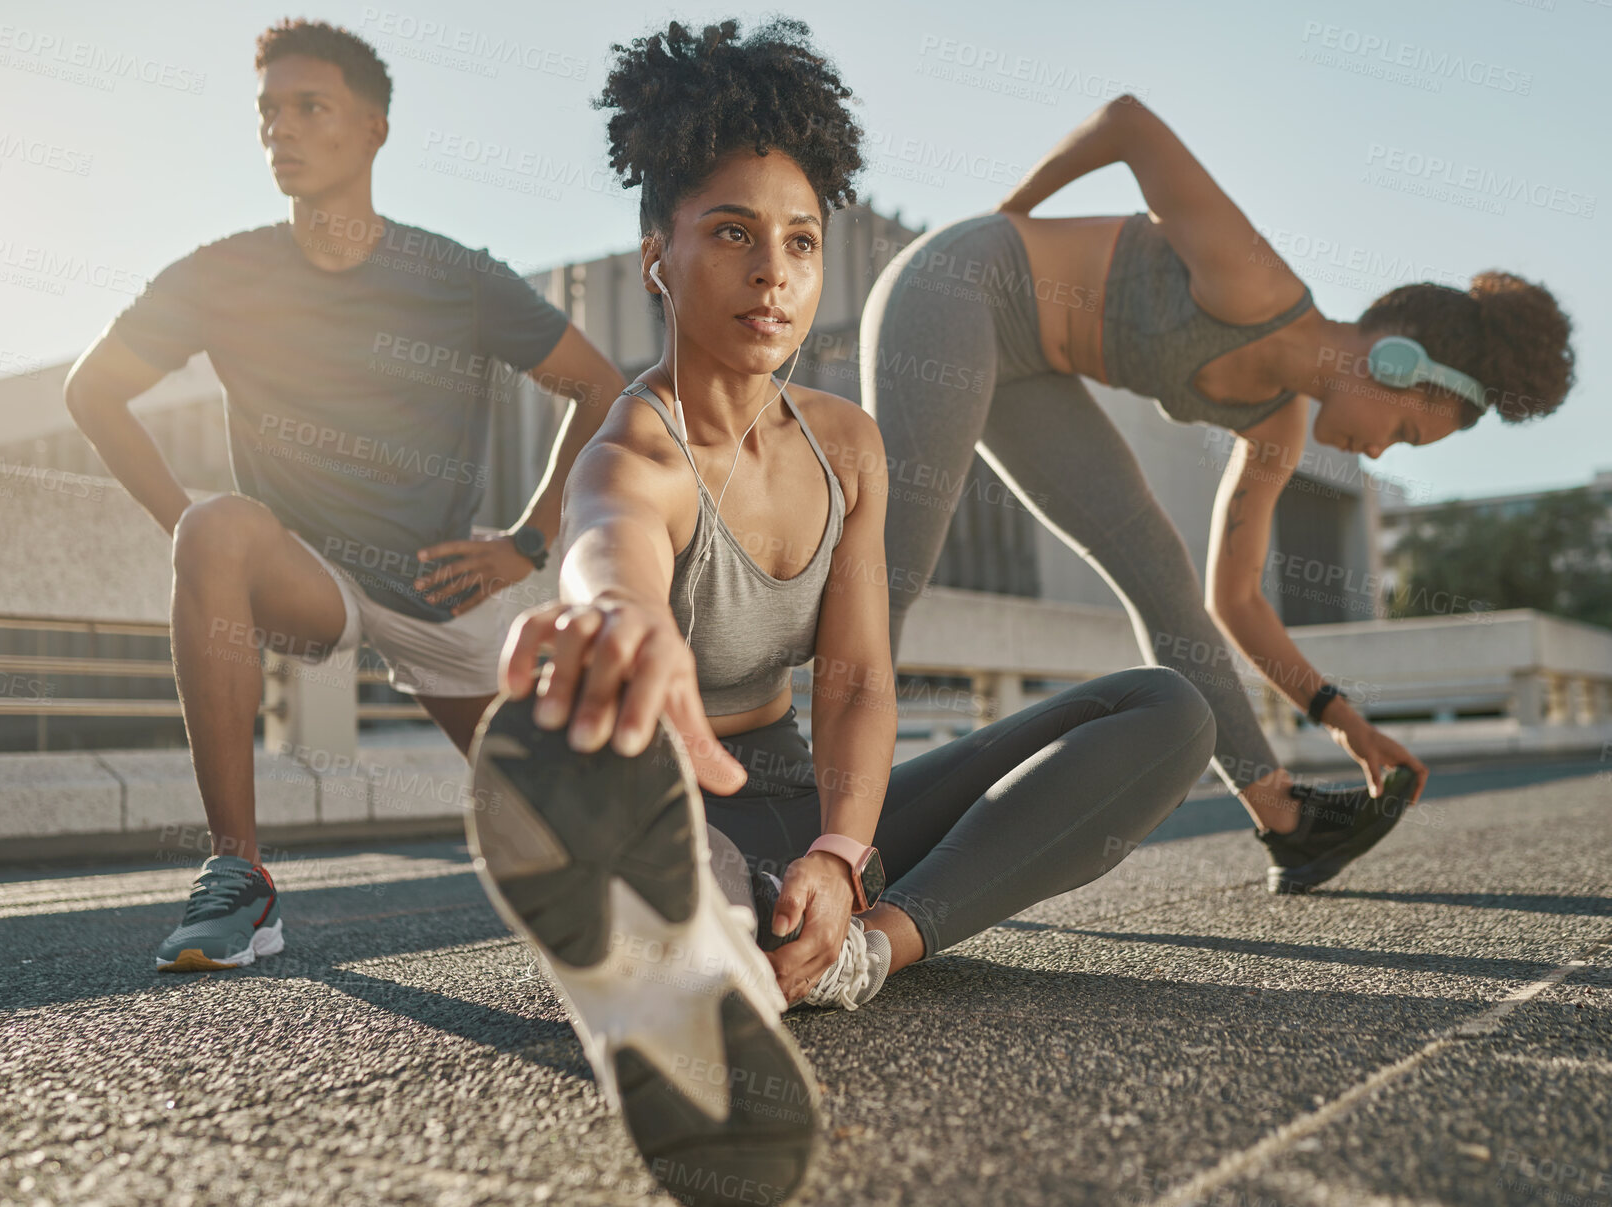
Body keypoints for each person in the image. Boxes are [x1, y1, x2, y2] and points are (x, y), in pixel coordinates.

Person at [461, 21, 1217, 1207]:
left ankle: (853, 950)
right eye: (729, 233)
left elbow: (859, 680)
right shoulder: (636, 448)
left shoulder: (847, 444)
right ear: (655, 255)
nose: (772, 272)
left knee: (1163, 708)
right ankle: (693, 956)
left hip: (801, 803)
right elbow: (604, 540)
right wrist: (617, 614)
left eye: (799, 242)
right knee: (667, 834)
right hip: (674, 801)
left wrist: (840, 854)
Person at [859, 94, 1577, 893]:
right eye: (1404, 431)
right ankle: (835, 828)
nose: (1378, 451)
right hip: (955, 286)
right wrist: (1006, 217)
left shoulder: (1277, 426)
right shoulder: (1251, 282)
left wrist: (1344, 720)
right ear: (1397, 362)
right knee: (893, 565)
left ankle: (1287, 822)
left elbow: (1235, 602)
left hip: (1030, 370)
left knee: (1161, 575)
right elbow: (1127, 122)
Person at [61, 19, 625, 972]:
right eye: (268, 113)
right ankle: (238, 875)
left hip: (441, 583)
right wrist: (199, 548)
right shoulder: (221, 272)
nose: (282, 129)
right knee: (216, 526)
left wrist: (527, 542)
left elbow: (601, 387)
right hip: (306, 569)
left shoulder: (456, 277)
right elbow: (91, 390)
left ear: (373, 129)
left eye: (309, 108)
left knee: (571, 843)